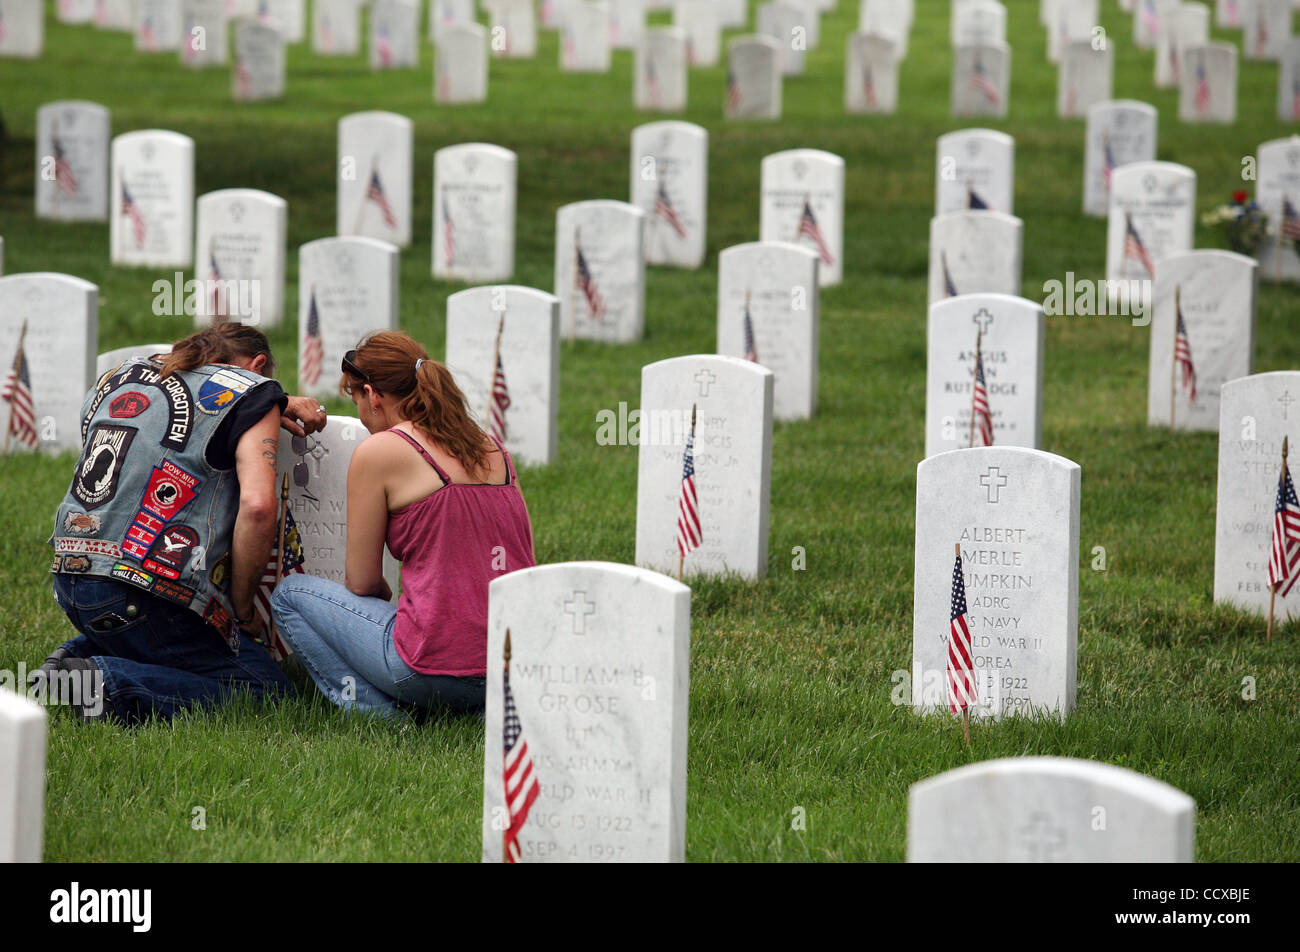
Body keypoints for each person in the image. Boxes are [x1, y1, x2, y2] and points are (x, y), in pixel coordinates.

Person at [36, 324, 329, 725]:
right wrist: (243, 610)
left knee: (172, 644)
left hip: (71, 579)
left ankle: (76, 657)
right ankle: (107, 681)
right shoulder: (257, 394)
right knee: (267, 693)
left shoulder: (120, 376)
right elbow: (260, 507)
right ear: (258, 366)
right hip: (143, 593)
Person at [270, 330, 535, 719]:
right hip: (510, 669)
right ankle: (469, 710)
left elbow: (361, 583)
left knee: (289, 594)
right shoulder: (493, 447)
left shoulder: (381, 450)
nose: (360, 411)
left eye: (356, 397)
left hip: (426, 668)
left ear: (373, 395)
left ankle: (386, 716)